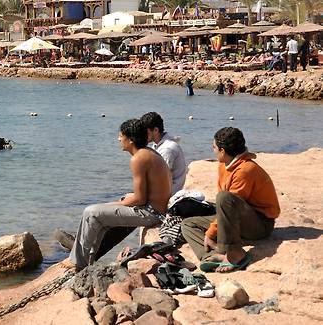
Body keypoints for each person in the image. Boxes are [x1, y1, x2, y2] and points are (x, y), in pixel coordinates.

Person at [60, 119, 172, 271]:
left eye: (121, 136)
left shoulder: (138, 159)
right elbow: (146, 193)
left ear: (130, 140)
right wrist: (124, 200)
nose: (119, 139)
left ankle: (77, 262)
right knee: (101, 212)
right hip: (156, 210)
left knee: (91, 212)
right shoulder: (148, 153)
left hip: (151, 214)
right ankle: (88, 260)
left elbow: (140, 199)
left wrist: (112, 204)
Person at [181, 128, 280, 273]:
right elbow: (225, 208)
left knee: (224, 197)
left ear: (222, 151)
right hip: (237, 219)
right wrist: (214, 230)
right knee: (188, 225)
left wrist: (210, 234)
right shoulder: (223, 165)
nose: (212, 150)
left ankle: (236, 254)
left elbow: (230, 201)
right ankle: (212, 255)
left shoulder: (246, 170)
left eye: (214, 147)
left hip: (260, 224)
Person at [141, 112, 187, 194]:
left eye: (146, 132)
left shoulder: (167, 149)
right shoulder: (158, 145)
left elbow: (161, 180)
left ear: (155, 130)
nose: (143, 135)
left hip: (168, 195)